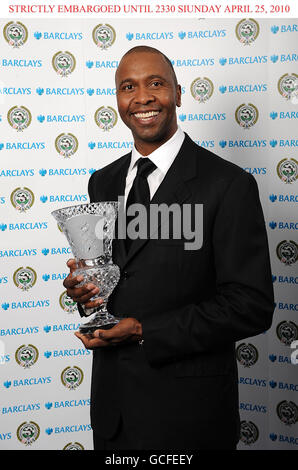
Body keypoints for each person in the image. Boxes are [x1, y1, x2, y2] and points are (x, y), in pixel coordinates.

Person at [63, 46, 274, 450]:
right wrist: (86, 292)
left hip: (190, 418)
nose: (142, 97)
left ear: (177, 93)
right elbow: (112, 281)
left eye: (155, 83)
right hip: (113, 415)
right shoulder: (102, 182)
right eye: (129, 87)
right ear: (118, 101)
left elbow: (251, 304)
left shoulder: (227, 185)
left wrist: (145, 330)